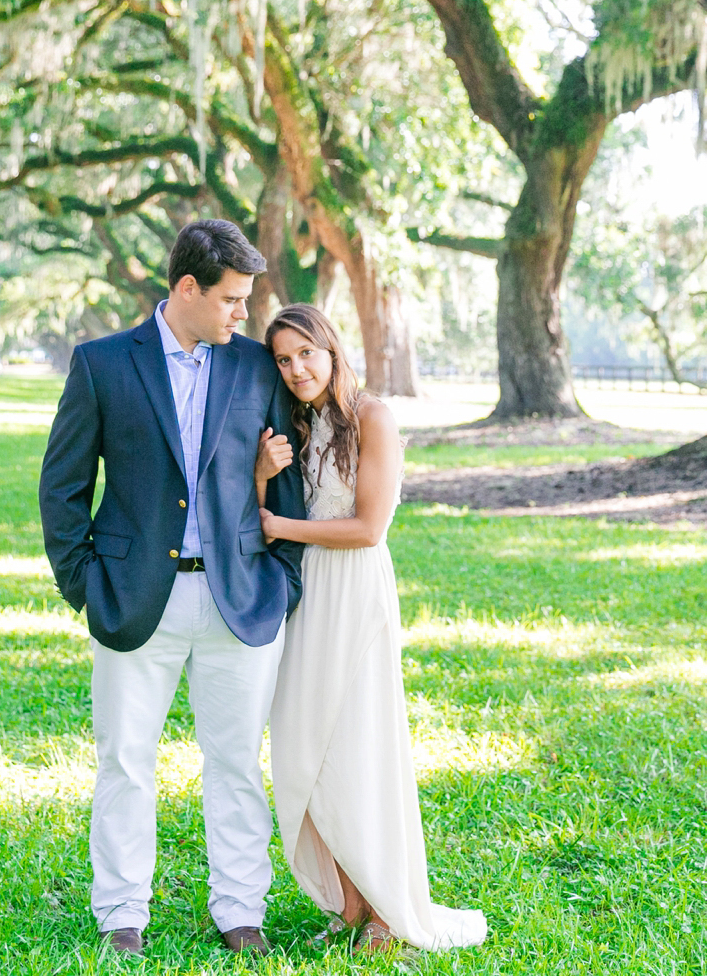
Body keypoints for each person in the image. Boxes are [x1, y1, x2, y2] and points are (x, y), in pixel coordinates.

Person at [38, 219, 307, 959]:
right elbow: (62, 487)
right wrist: (86, 586)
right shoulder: (101, 365)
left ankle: (240, 910)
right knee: (125, 758)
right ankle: (122, 913)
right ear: (187, 288)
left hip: (240, 597)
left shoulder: (256, 368)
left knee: (235, 762)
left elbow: (288, 485)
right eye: (230, 299)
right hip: (133, 598)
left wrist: (280, 583)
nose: (242, 315)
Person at [254, 303, 487, 952]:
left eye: (306, 352)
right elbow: (257, 506)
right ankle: (350, 899)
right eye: (283, 358)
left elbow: (368, 527)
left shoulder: (373, 417)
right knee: (305, 746)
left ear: (332, 350)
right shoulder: (294, 426)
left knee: (358, 743)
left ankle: (386, 907)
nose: (297, 368)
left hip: (353, 590)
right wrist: (261, 477)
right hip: (304, 597)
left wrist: (279, 526)